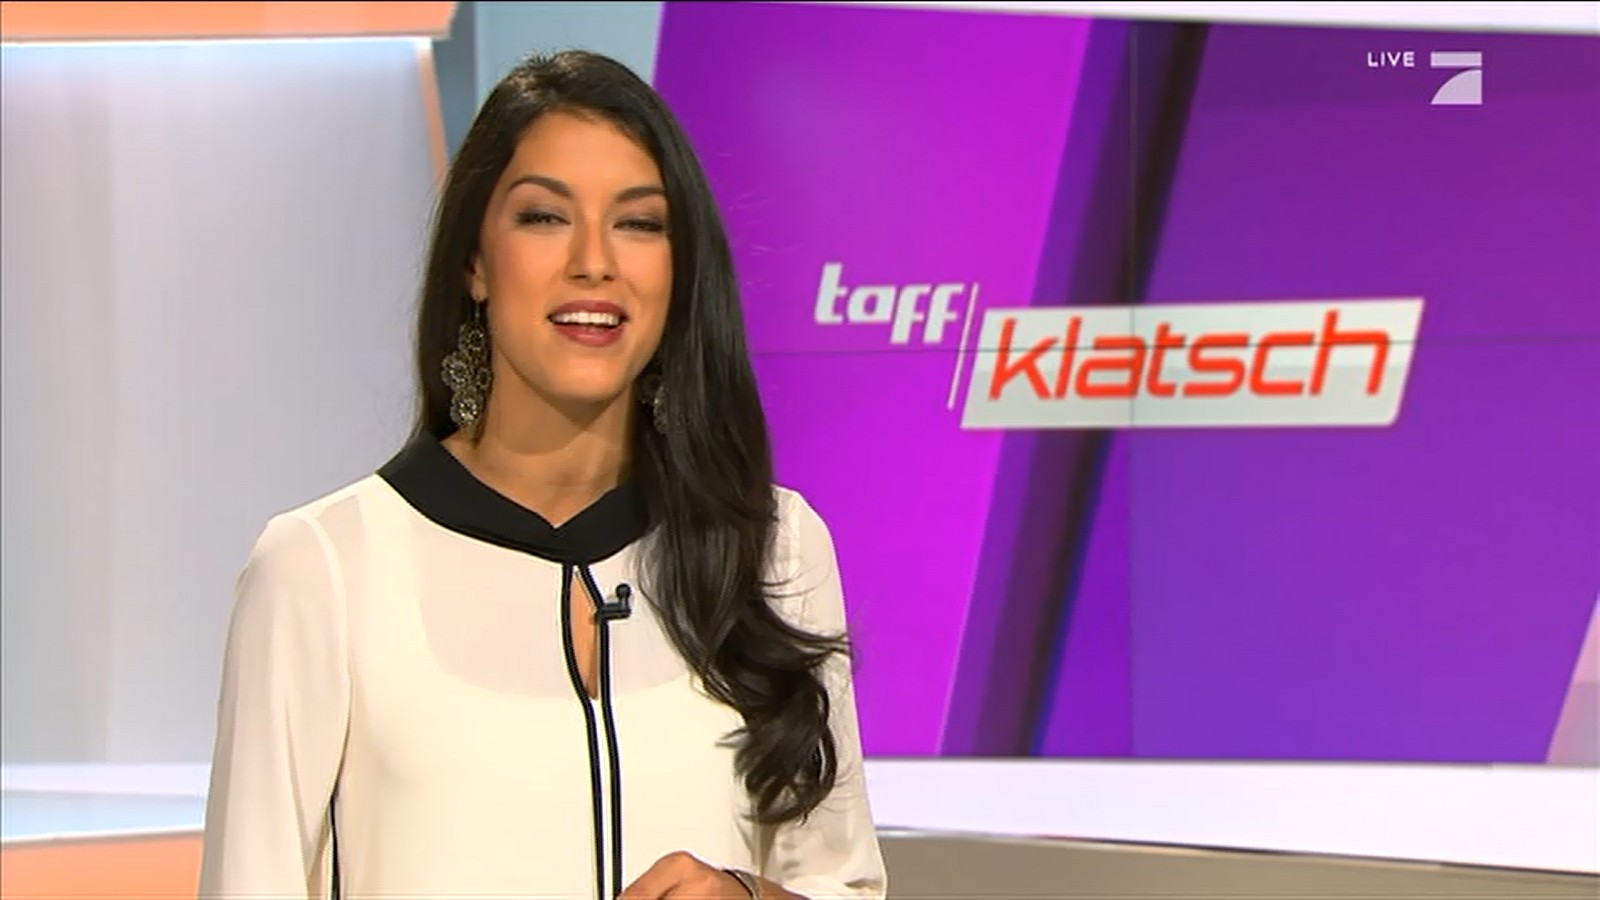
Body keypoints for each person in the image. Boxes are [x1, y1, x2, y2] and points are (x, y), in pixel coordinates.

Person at [197, 49, 887, 900]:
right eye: (545, 217)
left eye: (639, 224)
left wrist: (748, 897)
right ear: (475, 262)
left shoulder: (773, 548)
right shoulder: (322, 569)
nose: (595, 261)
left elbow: (843, 882)